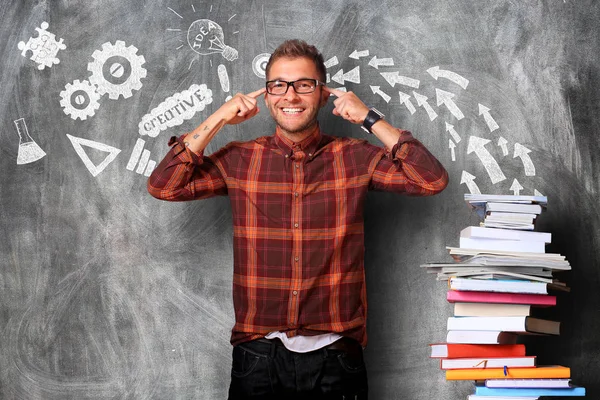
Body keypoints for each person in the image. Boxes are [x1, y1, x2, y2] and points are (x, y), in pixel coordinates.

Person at [148, 39, 448, 399]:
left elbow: (431, 180)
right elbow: (164, 186)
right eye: (278, 85)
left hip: (338, 359)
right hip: (257, 357)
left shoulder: (355, 157)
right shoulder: (239, 159)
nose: (291, 96)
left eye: (304, 85)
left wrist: (369, 118)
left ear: (323, 94)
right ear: (267, 94)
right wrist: (218, 118)